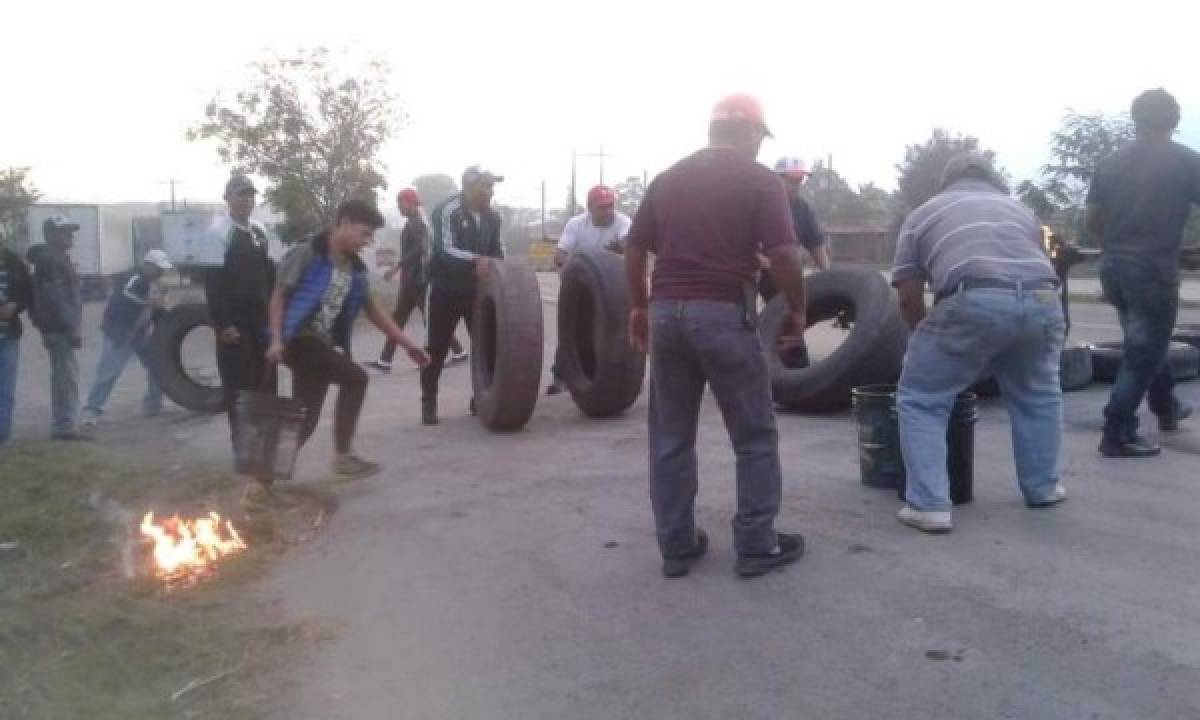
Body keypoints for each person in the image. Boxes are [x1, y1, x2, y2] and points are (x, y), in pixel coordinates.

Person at [625, 94, 809, 579]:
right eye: (759, 138)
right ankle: (756, 543)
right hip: (722, 313)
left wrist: (640, 307)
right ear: (749, 133)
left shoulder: (669, 178)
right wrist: (798, 307)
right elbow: (787, 253)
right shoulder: (758, 180)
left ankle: (677, 545)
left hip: (666, 313)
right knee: (753, 434)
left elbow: (636, 246)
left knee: (670, 436)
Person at [891, 153, 1066, 534]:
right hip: (1044, 300)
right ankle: (1044, 488)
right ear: (992, 179)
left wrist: (926, 338)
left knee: (921, 397)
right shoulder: (1020, 210)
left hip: (976, 296)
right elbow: (1041, 259)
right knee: (1038, 395)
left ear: (946, 181)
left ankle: (929, 505)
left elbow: (907, 292)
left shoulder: (922, 214)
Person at [267, 199, 430, 480]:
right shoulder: (308, 253)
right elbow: (278, 297)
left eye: (371, 236)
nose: (367, 242)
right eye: (364, 233)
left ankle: (261, 481)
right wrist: (275, 340)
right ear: (343, 223)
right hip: (299, 340)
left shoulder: (354, 269)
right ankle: (342, 457)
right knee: (355, 378)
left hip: (320, 345)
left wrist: (408, 345)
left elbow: (373, 311)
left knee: (305, 419)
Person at [1086, 88, 1200, 458]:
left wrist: (1117, 247)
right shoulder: (1186, 161)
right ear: (1176, 119)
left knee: (1145, 340)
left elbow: (1093, 221)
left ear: (1136, 120)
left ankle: (1166, 406)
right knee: (1144, 348)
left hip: (1113, 267)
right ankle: (1117, 430)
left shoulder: (1109, 163)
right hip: (1152, 269)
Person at [420, 166, 506, 425]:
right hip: (444, 288)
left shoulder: (493, 217)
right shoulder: (447, 211)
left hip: (476, 292)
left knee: (486, 344)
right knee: (436, 347)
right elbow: (445, 250)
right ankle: (428, 401)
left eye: (492, 187)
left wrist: (496, 266)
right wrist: (476, 259)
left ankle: (480, 397)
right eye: (485, 187)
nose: (490, 192)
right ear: (468, 188)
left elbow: (497, 251)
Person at [204, 175, 277, 465]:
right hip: (235, 325)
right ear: (227, 197)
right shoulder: (217, 233)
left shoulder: (260, 231)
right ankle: (243, 450)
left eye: (250, 194)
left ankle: (265, 447)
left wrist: (275, 319)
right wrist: (223, 325)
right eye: (240, 194)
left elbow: (270, 278)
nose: (246, 199)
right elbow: (212, 283)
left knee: (265, 384)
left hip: (261, 323)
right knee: (239, 387)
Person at [366, 188, 466, 373]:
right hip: (410, 281)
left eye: (401, 203)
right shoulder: (414, 222)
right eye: (398, 204)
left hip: (418, 281)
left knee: (430, 321)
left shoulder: (417, 223)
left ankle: (456, 352)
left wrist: (397, 266)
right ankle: (385, 360)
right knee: (399, 320)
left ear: (411, 203)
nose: (399, 208)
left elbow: (420, 249)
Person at [547, 184, 632, 395]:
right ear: (590, 208)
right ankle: (560, 377)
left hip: (612, 287)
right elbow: (559, 256)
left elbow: (630, 246)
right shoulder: (576, 224)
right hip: (580, 286)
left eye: (611, 205)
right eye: (602, 207)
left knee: (610, 331)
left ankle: (609, 377)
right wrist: (571, 273)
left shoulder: (623, 222)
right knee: (573, 329)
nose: (608, 211)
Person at [81, 250, 173, 427]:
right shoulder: (131, 278)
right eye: (158, 268)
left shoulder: (158, 284)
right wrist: (149, 301)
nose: (162, 272)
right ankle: (91, 410)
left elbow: (158, 312)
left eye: (163, 269)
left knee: (157, 366)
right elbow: (126, 297)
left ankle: (153, 405)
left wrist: (165, 315)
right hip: (119, 333)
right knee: (108, 373)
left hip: (141, 333)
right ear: (147, 265)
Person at [27, 215, 87, 441]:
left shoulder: (53, 259)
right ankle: (64, 426)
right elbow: (56, 298)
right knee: (65, 377)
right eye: (64, 232)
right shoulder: (52, 261)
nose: (70, 236)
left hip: (54, 327)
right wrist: (72, 328)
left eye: (70, 231)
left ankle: (64, 422)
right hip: (60, 328)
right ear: (51, 235)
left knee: (64, 375)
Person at [759, 156, 830, 302]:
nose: (796, 185)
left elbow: (816, 244)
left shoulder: (803, 209)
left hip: (782, 267)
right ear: (777, 179)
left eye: (799, 180)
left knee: (788, 306)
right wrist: (760, 260)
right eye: (791, 180)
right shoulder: (759, 203)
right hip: (753, 267)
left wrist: (829, 276)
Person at [0, 242, 32, 446]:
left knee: (5, 388)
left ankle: (2, 433)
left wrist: (16, 305)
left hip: (8, 335)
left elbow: (27, 293)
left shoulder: (15, 263)